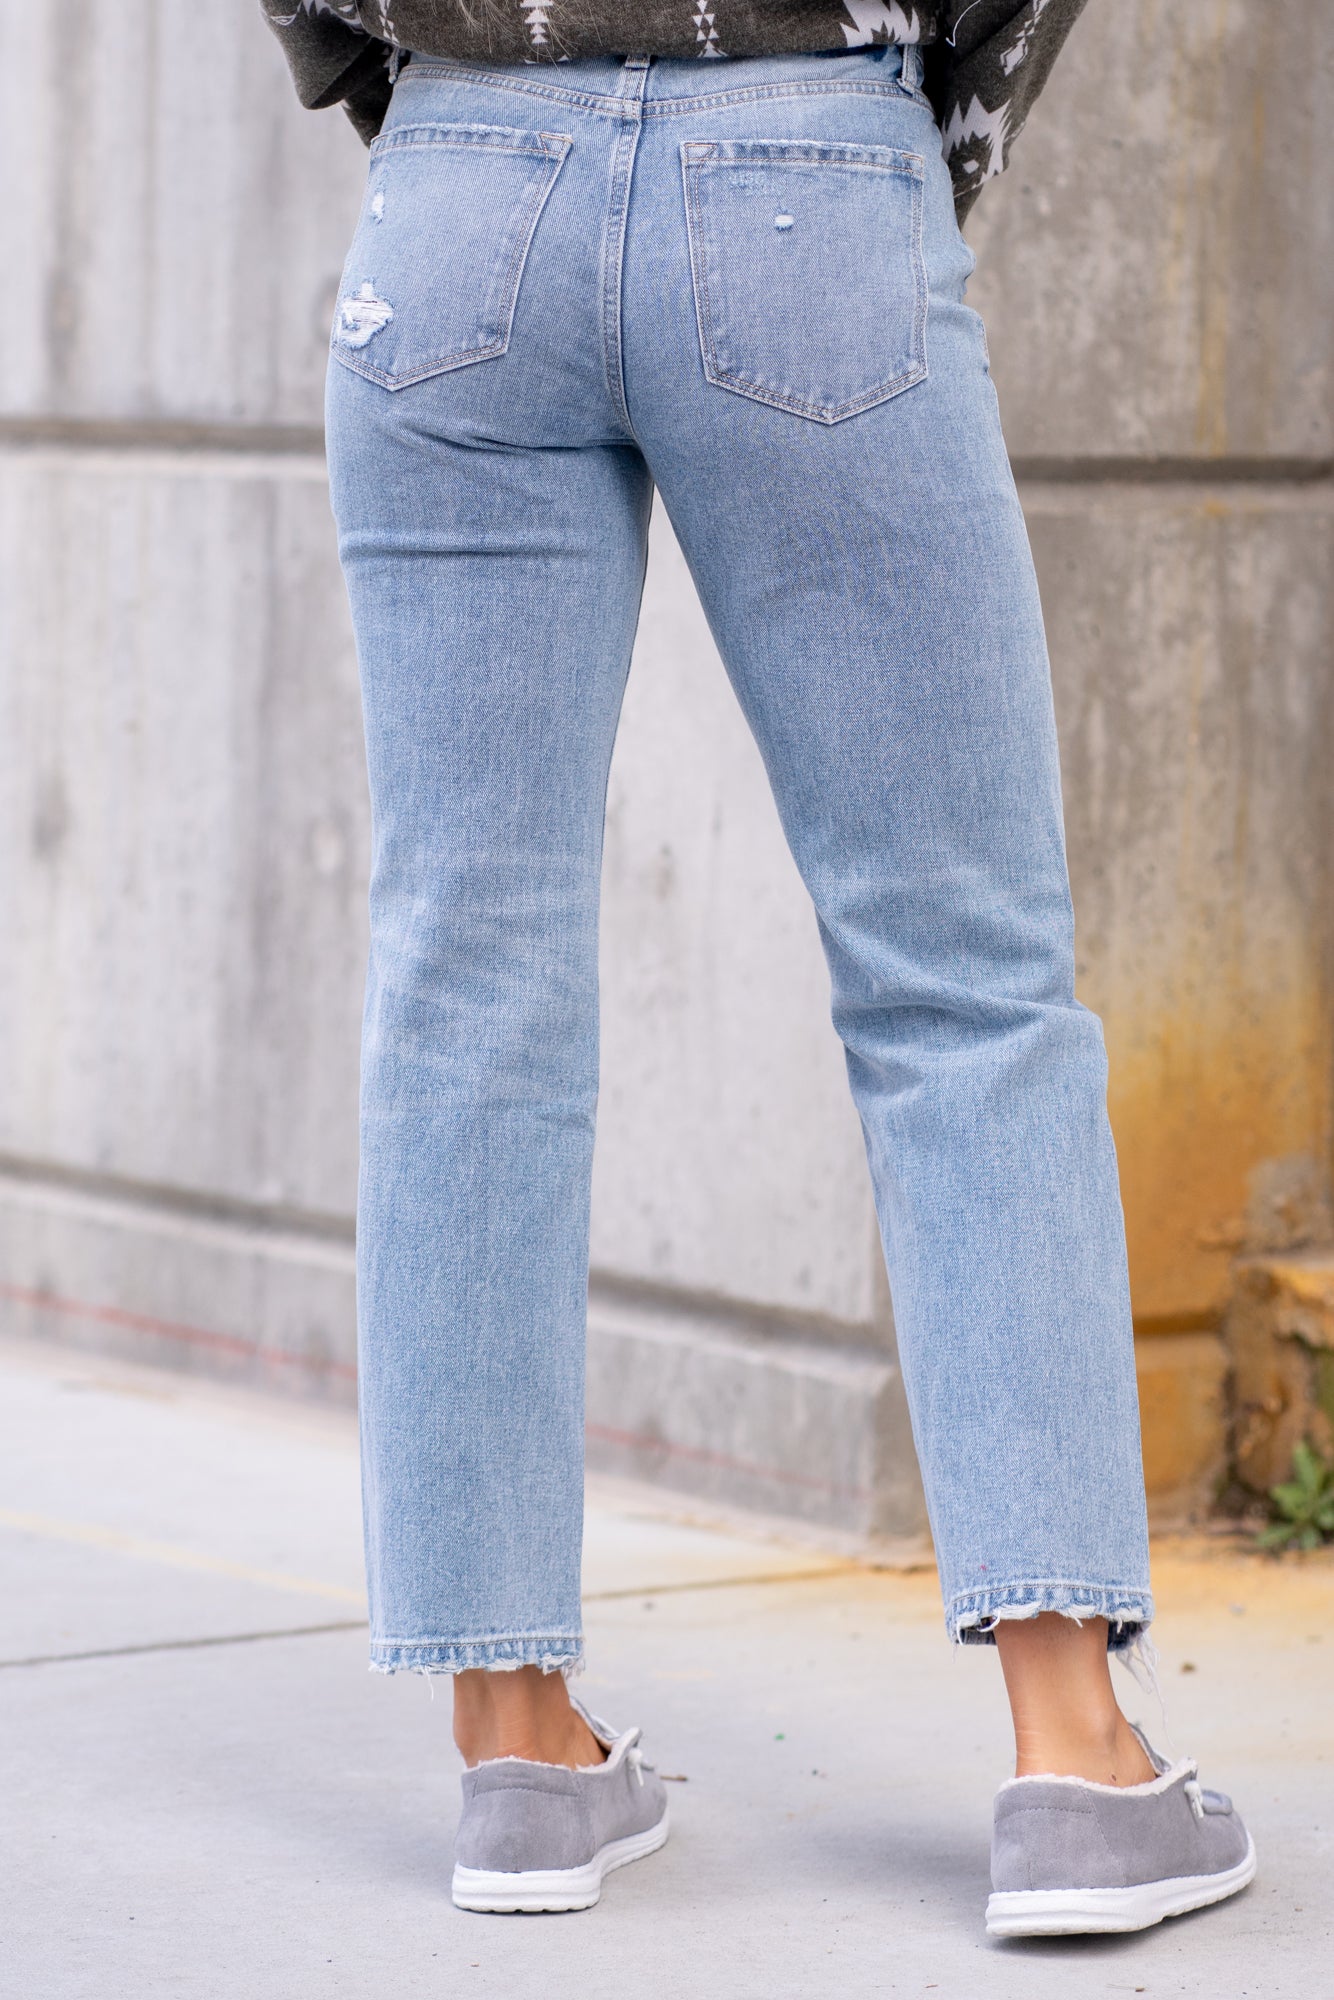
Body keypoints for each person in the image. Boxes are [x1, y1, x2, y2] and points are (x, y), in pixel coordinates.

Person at [264, 0, 1254, 1936]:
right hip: (804, 160)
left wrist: (427, 95)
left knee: (465, 981)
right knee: (959, 977)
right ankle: (1073, 1765)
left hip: (462, 184)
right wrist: (910, 141)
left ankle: (517, 1755)